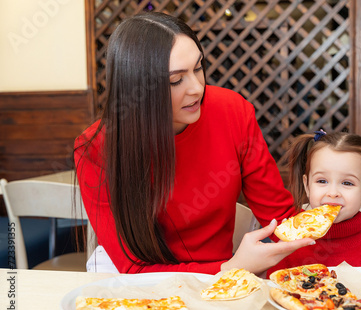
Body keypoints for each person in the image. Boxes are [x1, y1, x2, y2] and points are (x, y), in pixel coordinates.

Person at [74, 12, 314, 276]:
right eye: (176, 80)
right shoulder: (96, 147)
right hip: (141, 287)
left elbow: (280, 221)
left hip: (222, 275)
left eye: (198, 68)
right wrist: (232, 267)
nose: (198, 88)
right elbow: (132, 268)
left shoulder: (233, 111)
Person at [268, 131, 361, 275]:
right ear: (307, 186)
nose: (333, 192)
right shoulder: (287, 251)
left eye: (347, 183)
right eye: (322, 181)